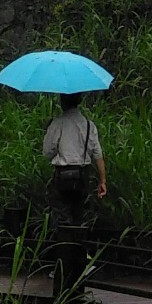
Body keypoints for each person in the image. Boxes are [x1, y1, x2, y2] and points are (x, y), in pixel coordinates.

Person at [42, 92, 107, 226]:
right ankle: (78, 243)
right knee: (79, 214)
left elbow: (47, 153)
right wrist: (103, 181)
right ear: (79, 101)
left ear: (62, 101)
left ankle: (64, 243)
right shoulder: (89, 125)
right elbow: (98, 156)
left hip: (62, 176)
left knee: (61, 215)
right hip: (82, 176)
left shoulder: (57, 123)